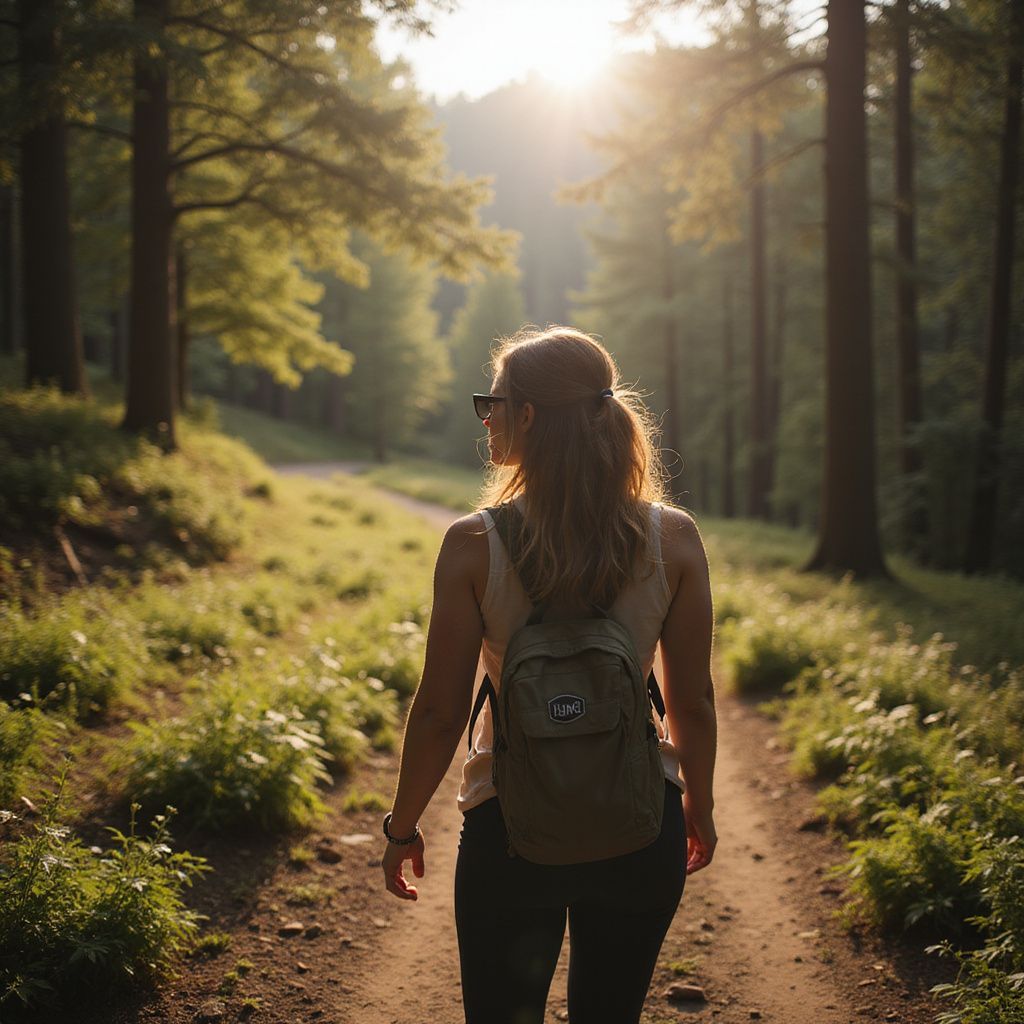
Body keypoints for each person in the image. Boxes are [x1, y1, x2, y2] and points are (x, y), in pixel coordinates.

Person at [381, 326, 718, 1024]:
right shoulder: (673, 537)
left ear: (528, 416)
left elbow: (442, 712)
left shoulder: (475, 544)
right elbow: (694, 700)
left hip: (512, 831)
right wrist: (698, 810)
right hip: (638, 822)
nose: (487, 417)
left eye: (493, 402)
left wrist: (402, 825)